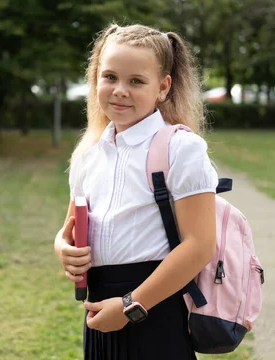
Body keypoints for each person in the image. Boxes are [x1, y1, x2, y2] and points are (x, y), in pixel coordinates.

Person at [53, 23, 218, 360]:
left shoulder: (181, 149)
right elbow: (71, 225)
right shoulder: (89, 153)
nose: (119, 90)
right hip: (99, 308)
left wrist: (131, 306)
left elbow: (200, 246)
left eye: (136, 81)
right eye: (109, 77)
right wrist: (61, 247)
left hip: (155, 306)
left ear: (163, 87)